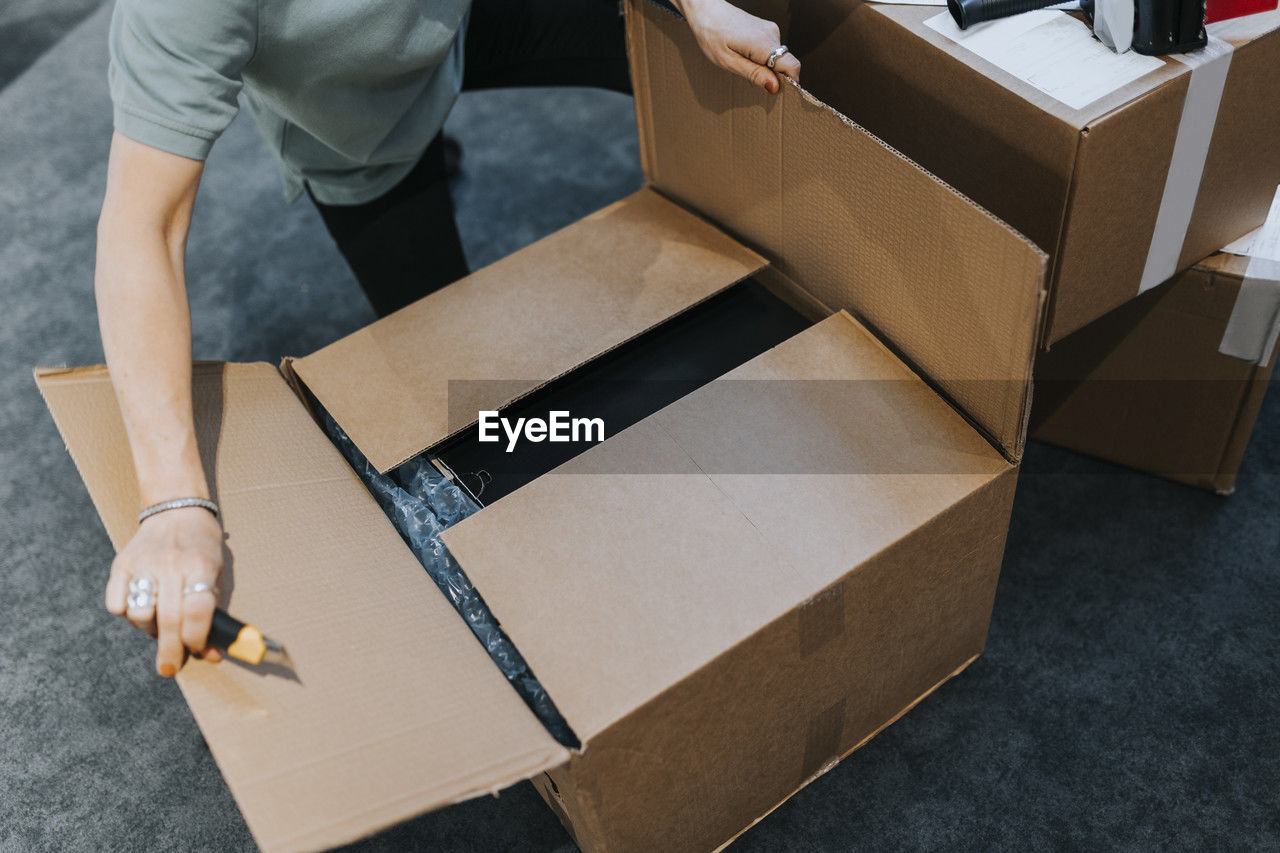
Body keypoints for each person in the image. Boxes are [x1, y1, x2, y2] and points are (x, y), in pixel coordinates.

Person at [96, 0, 801, 677]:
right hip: (360, 128)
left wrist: (699, 3)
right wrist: (174, 505)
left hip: (463, 17)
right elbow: (143, 230)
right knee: (473, 428)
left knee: (693, 40)